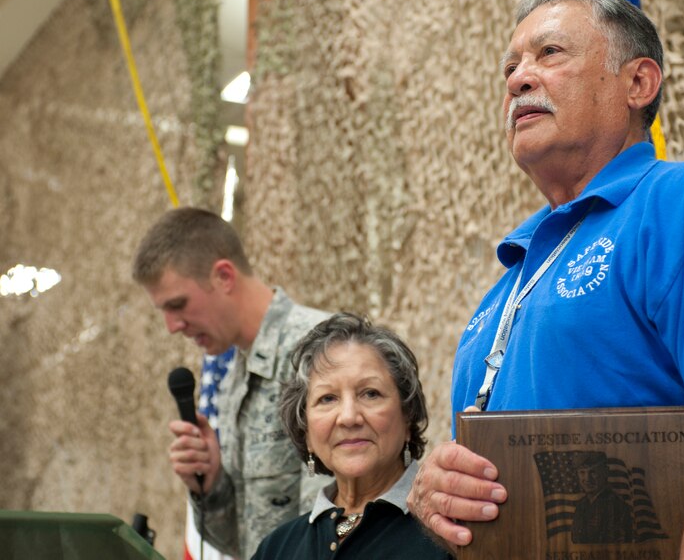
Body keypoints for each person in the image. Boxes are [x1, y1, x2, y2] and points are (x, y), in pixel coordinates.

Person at [408, 0, 684, 559]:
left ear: (639, 83)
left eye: (550, 54)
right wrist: (436, 494)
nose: (518, 79)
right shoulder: (509, 279)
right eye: (511, 66)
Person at [132, 207, 330, 560]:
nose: (172, 326)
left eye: (178, 305)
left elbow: (333, 525)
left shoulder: (320, 348)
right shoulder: (234, 375)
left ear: (224, 276)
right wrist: (212, 485)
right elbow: (245, 542)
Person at [251, 313, 451, 559]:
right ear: (306, 434)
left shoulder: (451, 534)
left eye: (370, 393)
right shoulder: (275, 550)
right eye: (327, 398)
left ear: (407, 415)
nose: (348, 417)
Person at [570, 452, 634, 544]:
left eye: (593, 472)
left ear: (606, 472)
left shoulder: (616, 506)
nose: (587, 478)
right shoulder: (581, 505)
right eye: (582, 472)